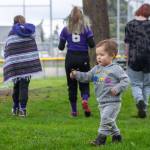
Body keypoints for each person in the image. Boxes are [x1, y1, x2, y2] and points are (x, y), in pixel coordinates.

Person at [70, 39, 129, 146]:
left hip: (113, 102)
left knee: (105, 119)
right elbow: (87, 76)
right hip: (101, 102)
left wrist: (117, 88)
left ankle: (100, 140)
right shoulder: (96, 69)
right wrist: (76, 74)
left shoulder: (116, 69)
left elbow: (126, 80)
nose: (98, 57)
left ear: (112, 55)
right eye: (97, 55)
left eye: (102, 54)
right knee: (109, 121)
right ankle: (117, 136)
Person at [58, 6, 95, 117]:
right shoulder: (86, 28)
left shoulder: (65, 29)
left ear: (70, 17)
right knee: (84, 80)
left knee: (71, 84)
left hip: (71, 58)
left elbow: (60, 47)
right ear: (82, 17)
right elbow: (92, 44)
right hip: (83, 57)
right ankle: (84, 99)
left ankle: (74, 111)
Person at [3, 15, 42, 117]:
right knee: (24, 87)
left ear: (14, 22)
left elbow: (8, 49)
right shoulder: (29, 33)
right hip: (27, 65)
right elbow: (33, 48)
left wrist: (11, 61)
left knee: (16, 87)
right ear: (24, 22)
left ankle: (15, 107)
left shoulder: (11, 34)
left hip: (15, 66)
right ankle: (22, 110)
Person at [124, 3, 150, 118]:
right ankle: (144, 108)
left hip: (134, 58)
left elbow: (127, 44)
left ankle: (139, 100)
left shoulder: (130, 25)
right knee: (147, 85)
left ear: (138, 11)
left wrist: (126, 58)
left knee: (135, 84)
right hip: (149, 58)